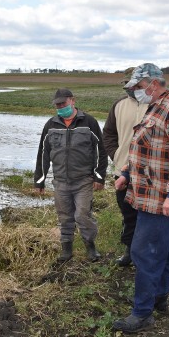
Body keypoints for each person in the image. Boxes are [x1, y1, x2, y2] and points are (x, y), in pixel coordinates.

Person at [112, 63, 169, 333]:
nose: (136, 92)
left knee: (143, 251)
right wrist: (126, 172)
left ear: (153, 83)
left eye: (138, 87)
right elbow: (144, 147)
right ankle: (158, 297)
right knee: (162, 248)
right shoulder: (156, 106)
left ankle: (142, 312)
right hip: (146, 192)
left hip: (161, 197)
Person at [34, 88, 108, 263]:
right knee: (65, 217)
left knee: (82, 215)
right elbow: (43, 153)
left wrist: (99, 177)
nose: (60, 107)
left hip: (83, 180)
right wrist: (39, 180)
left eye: (63, 103)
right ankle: (66, 250)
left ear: (72, 101)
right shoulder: (50, 125)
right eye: (57, 105)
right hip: (60, 182)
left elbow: (101, 151)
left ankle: (91, 247)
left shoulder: (88, 122)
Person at [102, 68, 149, 266]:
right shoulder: (119, 105)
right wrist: (117, 157)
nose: (132, 88)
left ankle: (147, 254)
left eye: (137, 85)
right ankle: (130, 251)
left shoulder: (159, 105)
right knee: (128, 213)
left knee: (148, 215)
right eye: (129, 84)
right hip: (122, 172)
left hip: (150, 173)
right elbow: (109, 134)